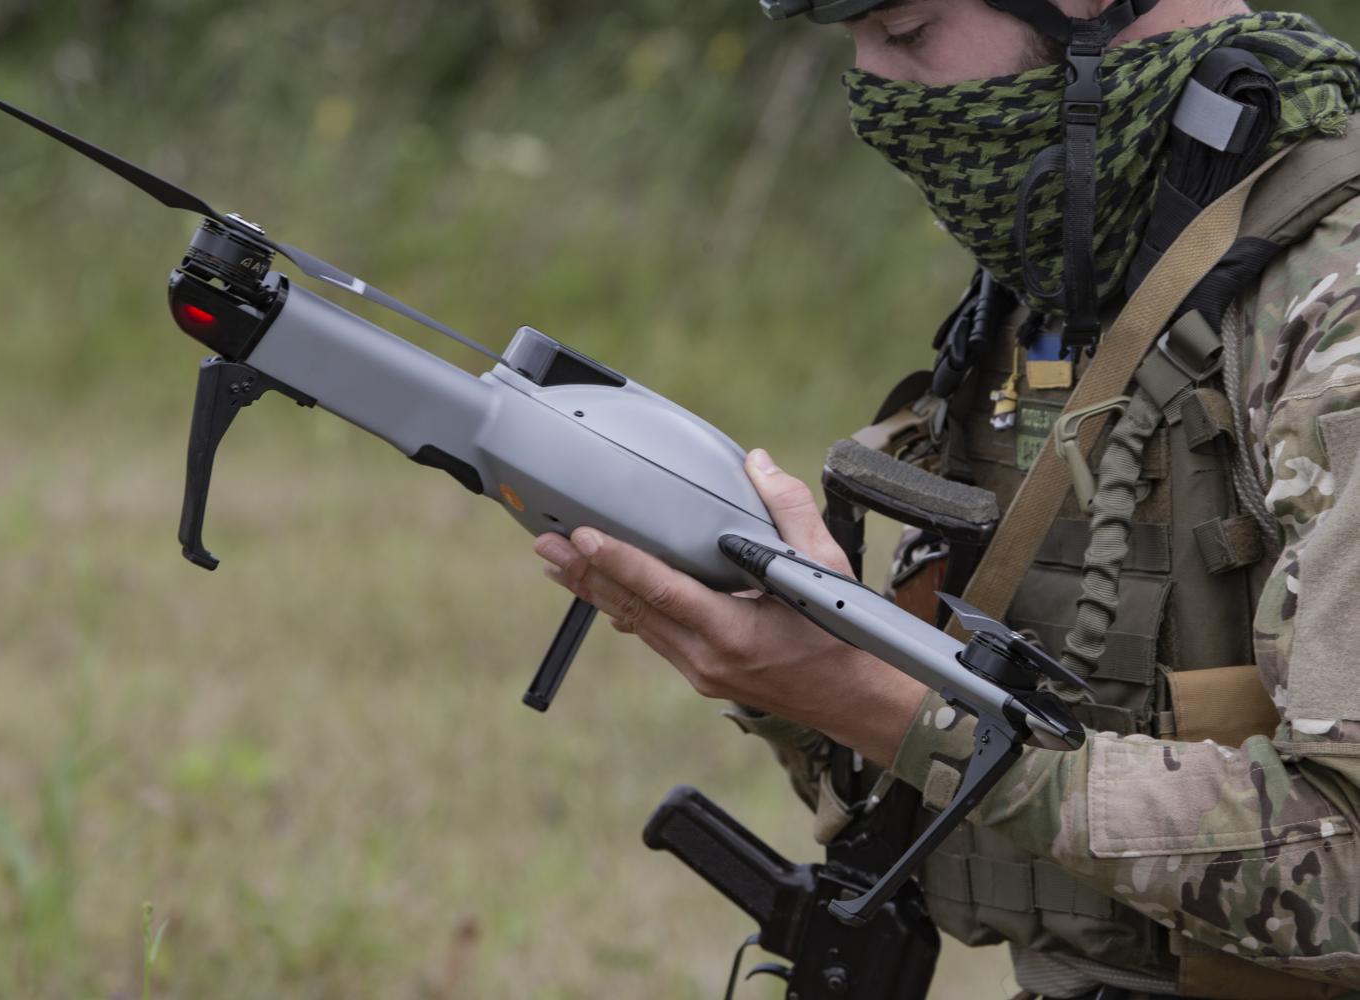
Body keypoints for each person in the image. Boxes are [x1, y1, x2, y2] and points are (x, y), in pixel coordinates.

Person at [534, 1, 1360, 997]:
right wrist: (783, 652)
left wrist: (902, 716)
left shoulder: (1329, 299)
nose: (876, 94)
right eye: (858, 48)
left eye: (911, 34)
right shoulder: (1083, 264)